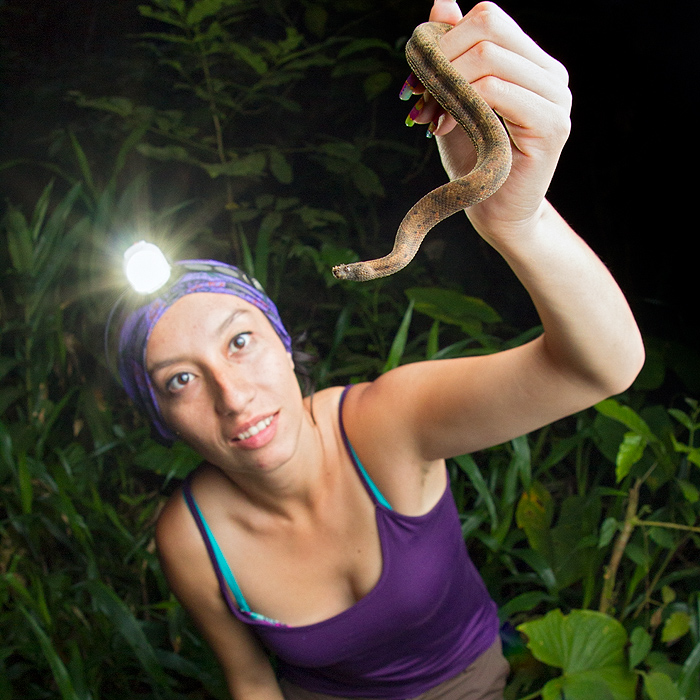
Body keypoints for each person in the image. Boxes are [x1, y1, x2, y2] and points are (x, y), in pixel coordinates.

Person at [115, 1, 645, 698]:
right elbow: (251, 683)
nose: (232, 393)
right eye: (179, 380)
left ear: (284, 344)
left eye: (240, 341)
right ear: (158, 416)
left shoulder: (384, 422)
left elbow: (600, 366)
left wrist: (517, 219)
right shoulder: (189, 537)